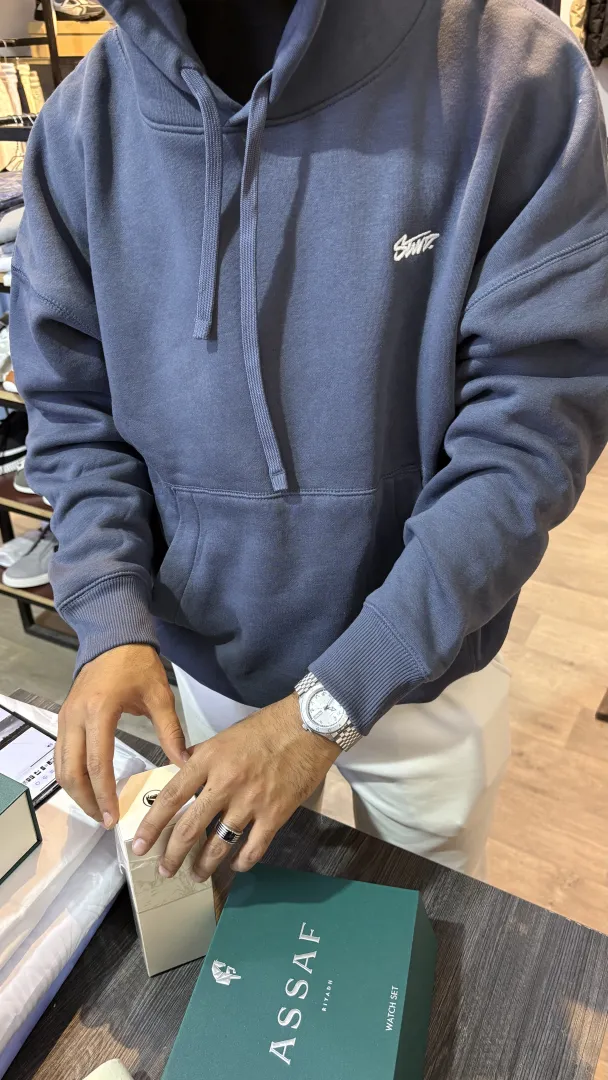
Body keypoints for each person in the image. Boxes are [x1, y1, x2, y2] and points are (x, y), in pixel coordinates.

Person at [11, 0, 608, 883]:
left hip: (420, 670)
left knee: (424, 933)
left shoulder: (513, 72)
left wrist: (335, 702)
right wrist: (107, 613)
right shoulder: (81, 126)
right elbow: (71, 408)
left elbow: (529, 436)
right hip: (207, 662)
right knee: (240, 925)